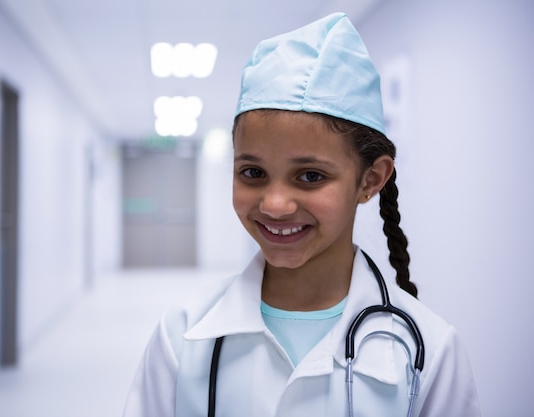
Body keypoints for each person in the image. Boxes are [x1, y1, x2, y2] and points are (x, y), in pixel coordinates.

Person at [123, 12, 480, 417]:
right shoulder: (182, 335)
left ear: (371, 179)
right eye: (252, 172)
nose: (275, 204)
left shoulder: (430, 352)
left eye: (310, 176)